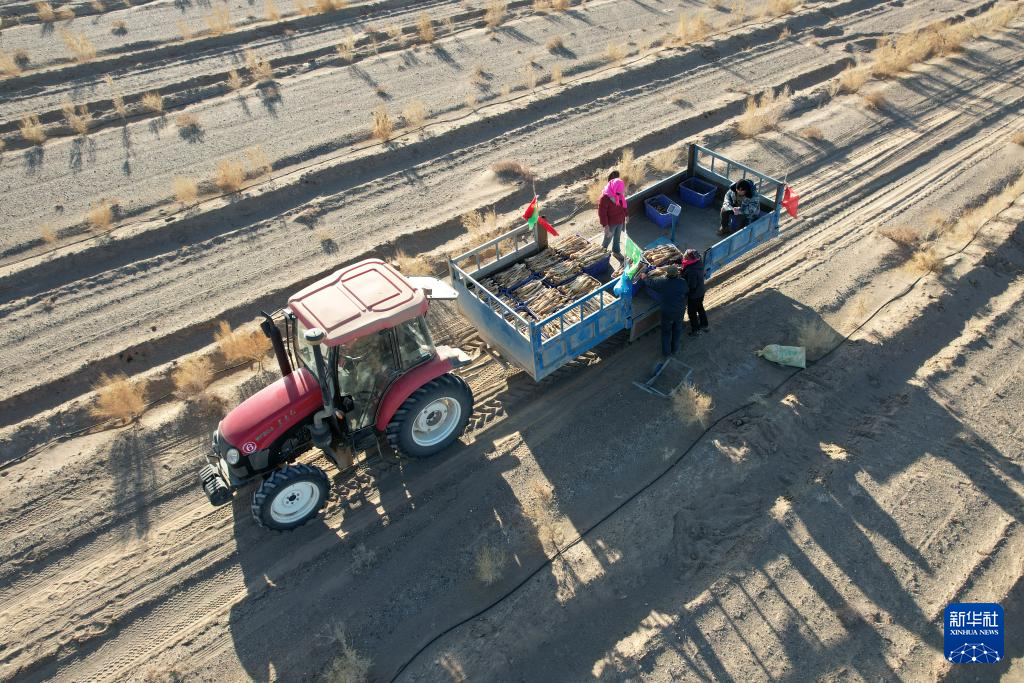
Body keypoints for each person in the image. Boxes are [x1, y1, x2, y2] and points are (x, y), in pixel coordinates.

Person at [641, 264, 689, 368]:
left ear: (667, 273)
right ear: (677, 274)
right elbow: (686, 291)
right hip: (679, 310)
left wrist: (644, 277)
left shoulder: (662, 281)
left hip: (667, 311)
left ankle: (666, 352)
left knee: (666, 332)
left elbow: (650, 283)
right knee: (677, 329)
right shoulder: (682, 282)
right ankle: (675, 349)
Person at [599, 172, 628, 262]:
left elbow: (623, 205)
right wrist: (606, 226)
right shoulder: (605, 198)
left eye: (620, 192)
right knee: (607, 239)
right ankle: (601, 255)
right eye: (618, 193)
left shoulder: (619, 194)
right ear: (614, 188)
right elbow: (602, 213)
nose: (619, 195)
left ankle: (616, 251)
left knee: (617, 237)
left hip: (620, 220)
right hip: (611, 223)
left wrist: (626, 214)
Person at [681, 248, 708, 336]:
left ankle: (696, 330)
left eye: (686, 255)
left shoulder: (691, 271)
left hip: (694, 295)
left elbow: (692, 285)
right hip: (701, 291)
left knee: (691, 312)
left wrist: (685, 291)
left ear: (689, 258)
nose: (684, 256)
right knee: (700, 307)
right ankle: (704, 324)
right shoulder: (698, 262)